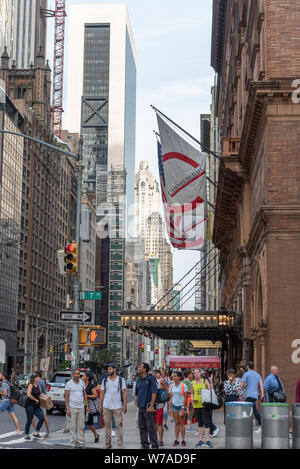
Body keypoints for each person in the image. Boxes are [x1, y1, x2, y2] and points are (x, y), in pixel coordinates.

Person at [99, 363, 127, 449]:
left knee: (119, 425)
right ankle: (108, 443)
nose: (108, 371)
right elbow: (102, 393)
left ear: (115, 369)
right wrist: (100, 404)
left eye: (110, 369)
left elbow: (124, 393)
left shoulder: (121, 380)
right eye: (108, 369)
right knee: (107, 426)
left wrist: (125, 405)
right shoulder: (105, 380)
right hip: (106, 406)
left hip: (117, 406)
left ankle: (120, 444)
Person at [135, 362, 159, 449]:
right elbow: (137, 392)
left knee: (151, 427)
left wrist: (152, 405)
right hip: (140, 406)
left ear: (144, 369)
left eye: (140, 367)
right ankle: (144, 445)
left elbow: (154, 392)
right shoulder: (138, 379)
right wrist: (136, 401)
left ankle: (155, 445)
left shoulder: (150, 379)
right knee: (142, 427)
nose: (138, 368)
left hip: (148, 407)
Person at [65, 369, 89, 449]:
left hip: (81, 407)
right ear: (73, 375)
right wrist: (67, 408)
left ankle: (81, 443)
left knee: (81, 426)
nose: (77, 375)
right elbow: (67, 396)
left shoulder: (82, 383)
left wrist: (87, 406)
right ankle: (73, 443)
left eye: (79, 374)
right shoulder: (69, 384)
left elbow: (84, 394)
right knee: (73, 426)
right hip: (72, 407)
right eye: (76, 374)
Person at [191, 368, 213, 448]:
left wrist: (210, 383)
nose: (196, 374)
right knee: (200, 423)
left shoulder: (204, 381)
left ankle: (207, 440)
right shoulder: (192, 383)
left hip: (205, 404)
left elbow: (210, 389)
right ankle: (200, 440)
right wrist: (193, 400)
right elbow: (192, 393)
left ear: (200, 373)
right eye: (194, 372)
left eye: (197, 372)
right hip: (197, 405)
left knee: (206, 423)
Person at [241, 361, 265, 432]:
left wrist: (242, 386)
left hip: (249, 395)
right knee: (250, 410)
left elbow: (242, 385)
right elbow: (261, 385)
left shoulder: (246, 374)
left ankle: (261, 425)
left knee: (251, 410)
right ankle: (248, 426)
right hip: (255, 395)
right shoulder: (257, 375)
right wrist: (262, 394)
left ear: (247, 366)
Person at [169, 371, 188, 447]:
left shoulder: (184, 385)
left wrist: (183, 408)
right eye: (173, 376)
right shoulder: (172, 385)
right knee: (176, 423)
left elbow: (185, 397)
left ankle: (183, 440)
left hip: (181, 406)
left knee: (182, 423)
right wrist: (169, 408)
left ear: (179, 377)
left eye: (175, 376)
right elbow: (171, 397)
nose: (174, 377)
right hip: (174, 406)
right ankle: (177, 440)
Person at [24, 374, 45, 440]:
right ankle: (26, 434)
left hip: (37, 406)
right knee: (29, 420)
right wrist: (35, 399)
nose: (39, 378)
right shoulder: (31, 385)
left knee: (42, 418)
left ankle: (36, 432)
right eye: (38, 377)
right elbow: (28, 394)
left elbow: (40, 394)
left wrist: (46, 399)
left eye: (39, 377)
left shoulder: (38, 386)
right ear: (34, 378)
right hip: (30, 405)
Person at [82, 372, 99, 443]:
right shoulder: (81, 385)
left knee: (89, 423)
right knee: (81, 423)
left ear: (87, 378)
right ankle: (81, 438)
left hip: (89, 406)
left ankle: (96, 434)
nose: (81, 377)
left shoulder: (91, 386)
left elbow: (95, 395)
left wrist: (86, 396)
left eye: (83, 376)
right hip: (81, 405)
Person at [154, 370, 168, 446]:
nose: (157, 374)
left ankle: (160, 439)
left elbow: (166, 391)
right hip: (152, 404)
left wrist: (164, 400)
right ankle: (155, 439)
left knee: (159, 423)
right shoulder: (151, 381)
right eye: (155, 373)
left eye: (158, 373)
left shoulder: (162, 381)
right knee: (154, 423)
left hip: (159, 404)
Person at [34, 371, 50, 437]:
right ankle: (46, 431)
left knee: (43, 416)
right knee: (43, 416)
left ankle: (37, 430)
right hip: (40, 401)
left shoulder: (39, 382)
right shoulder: (41, 382)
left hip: (40, 401)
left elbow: (39, 393)